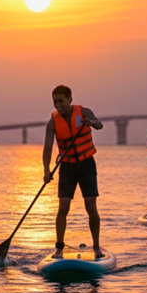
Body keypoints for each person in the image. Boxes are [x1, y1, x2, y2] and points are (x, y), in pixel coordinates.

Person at [43, 85, 104, 259]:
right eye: (55, 101)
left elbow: (99, 124)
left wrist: (90, 122)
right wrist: (46, 170)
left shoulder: (83, 112)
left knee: (91, 207)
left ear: (70, 99)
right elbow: (47, 148)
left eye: (61, 101)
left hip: (86, 165)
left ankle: (97, 248)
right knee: (63, 208)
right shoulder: (52, 122)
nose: (58, 105)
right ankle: (59, 248)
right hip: (67, 167)